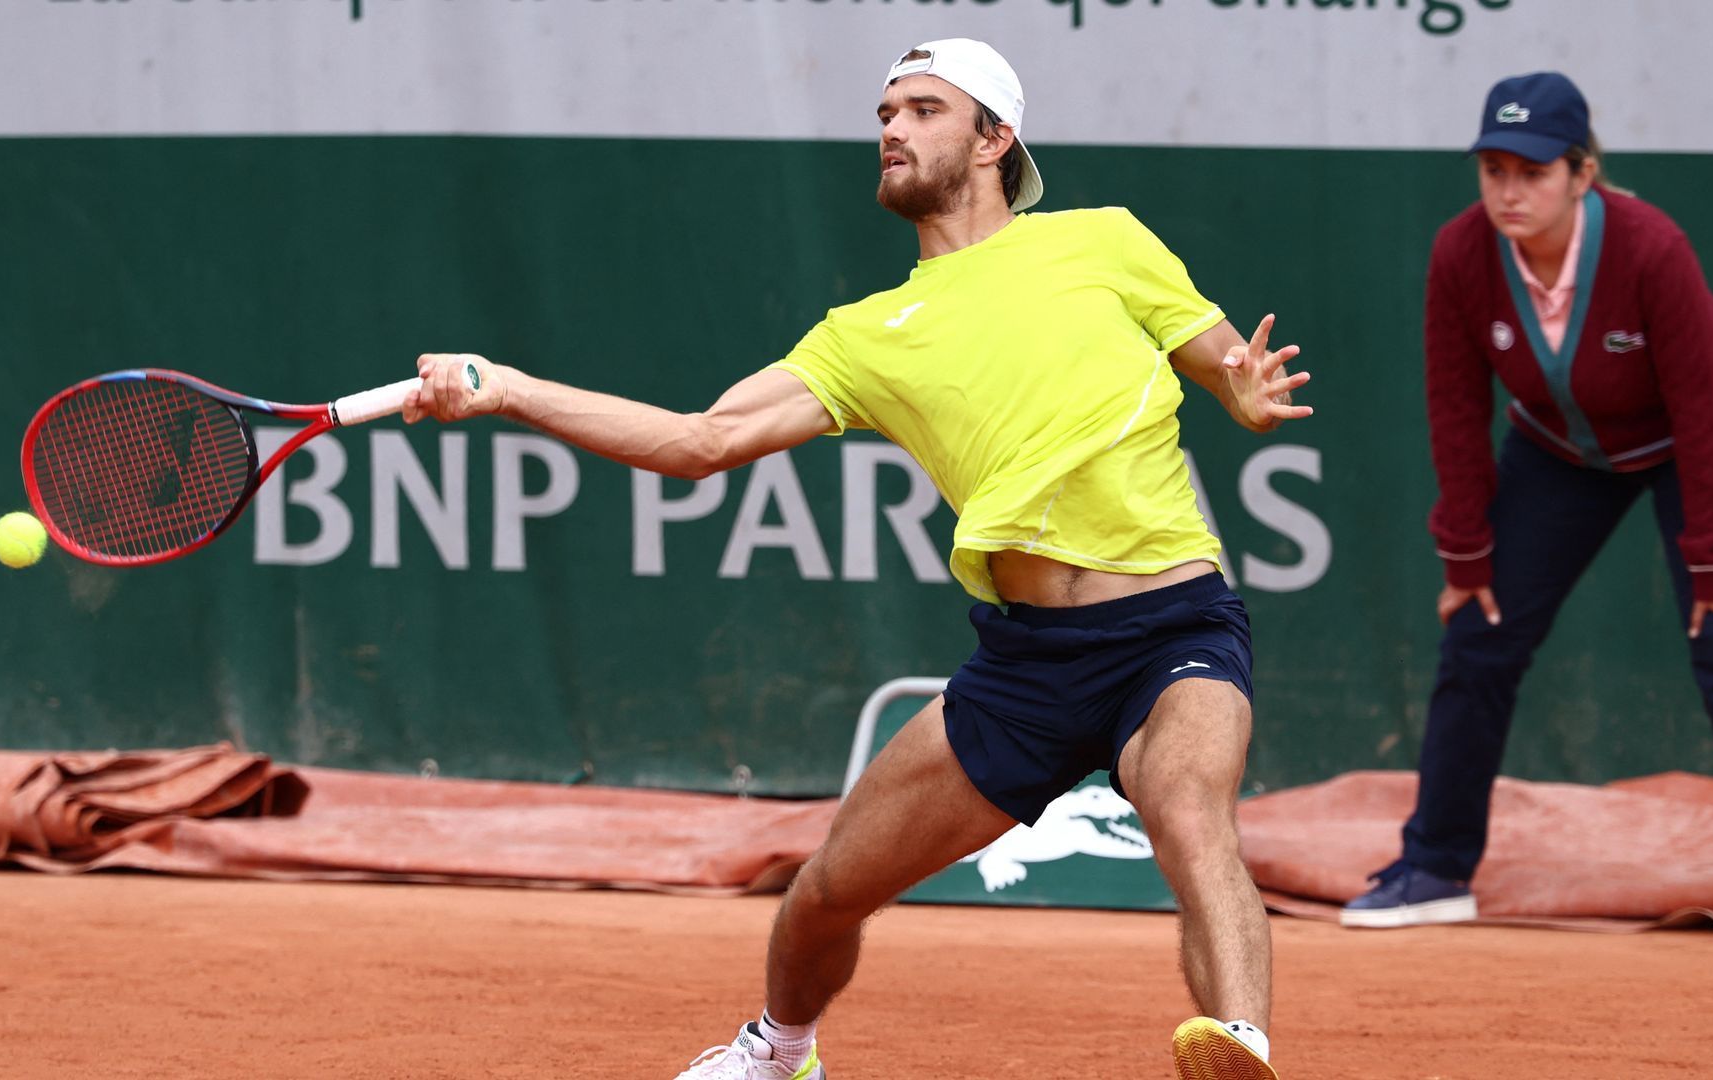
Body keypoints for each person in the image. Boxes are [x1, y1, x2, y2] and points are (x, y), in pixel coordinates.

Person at [403, 38, 1309, 1080]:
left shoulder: (1104, 243)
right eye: (886, 113)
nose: (891, 129)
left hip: (1173, 626)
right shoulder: (864, 336)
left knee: (1190, 809)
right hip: (1028, 669)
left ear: (993, 138)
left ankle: (1239, 1044)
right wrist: (511, 389)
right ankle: (779, 1048)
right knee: (826, 892)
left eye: (924, 109)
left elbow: (1225, 359)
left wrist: (1241, 390)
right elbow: (701, 441)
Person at [1340, 72, 1713, 945]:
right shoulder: (1461, 254)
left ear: (1581, 173)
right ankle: (1437, 866)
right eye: (1493, 170)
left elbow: (1706, 407)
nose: (1509, 191)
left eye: (1531, 171)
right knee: (1479, 631)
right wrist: (1467, 554)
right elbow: (1455, 408)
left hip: (1706, 434)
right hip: (1564, 448)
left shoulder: (1651, 246)